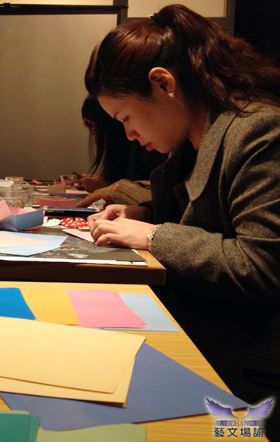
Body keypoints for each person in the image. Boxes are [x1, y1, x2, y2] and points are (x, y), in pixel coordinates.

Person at [85, 4, 280, 435]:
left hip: (247, 370)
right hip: (207, 338)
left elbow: (264, 265)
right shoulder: (195, 142)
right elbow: (209, 218)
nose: (128, 134)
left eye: (126, 118)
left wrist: (154, 234)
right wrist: (147, 211)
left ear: (163, 83)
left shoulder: (259, 131)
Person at [76, 95, 165, 207]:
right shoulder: (127, 151)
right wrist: (107, 185)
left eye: (125, 119)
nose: (130, 135)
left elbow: (164, 202)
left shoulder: (149, 149)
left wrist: (111, 189)